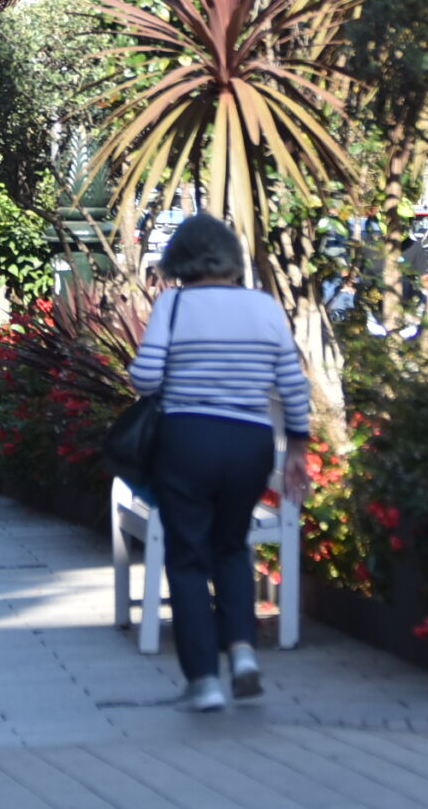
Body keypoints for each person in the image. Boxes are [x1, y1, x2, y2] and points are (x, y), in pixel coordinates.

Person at [126, 214, 312, 714]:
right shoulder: (263, 306)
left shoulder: (175, 303)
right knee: (232, 547)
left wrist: (138, 372)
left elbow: (145, 378)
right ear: (231, 256)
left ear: (180, 260)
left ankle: (204, 680)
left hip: (188, 440)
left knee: (187, 557)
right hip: (250, 442)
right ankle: (244, 655)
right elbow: (293, 386)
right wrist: (297, 448)